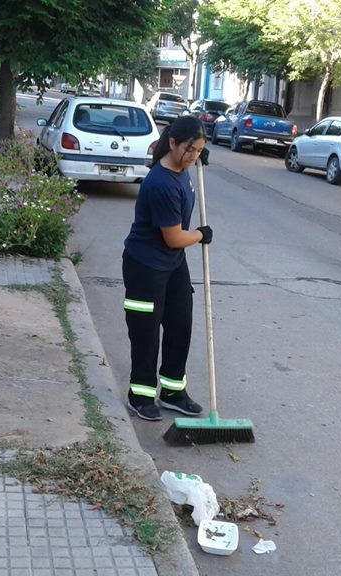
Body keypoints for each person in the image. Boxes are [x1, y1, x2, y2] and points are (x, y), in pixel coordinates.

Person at [122, 115, 212, 421]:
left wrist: (195, 154)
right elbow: (174, 238)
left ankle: (173, 391)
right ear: (172, 143)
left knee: (180, 325)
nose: (194, 157)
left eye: (199, 151)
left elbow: (175, 244)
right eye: (190, 150)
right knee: (146, 333)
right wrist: (201, 235)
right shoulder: (160, 183)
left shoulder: (182, 167)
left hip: (173, 265)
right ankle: (141, 395)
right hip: (145, 265)